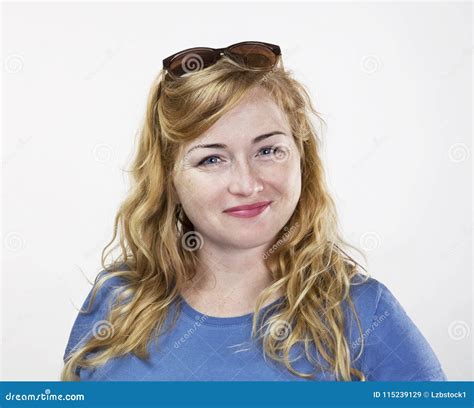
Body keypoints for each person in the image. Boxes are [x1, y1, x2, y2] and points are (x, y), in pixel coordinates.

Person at [61, 41, 447, 381]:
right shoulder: (115, 302)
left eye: (267, 150)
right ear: (169, 179)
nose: (246, 184)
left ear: (301, 159)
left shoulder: (363, 313)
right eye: (212, 159)